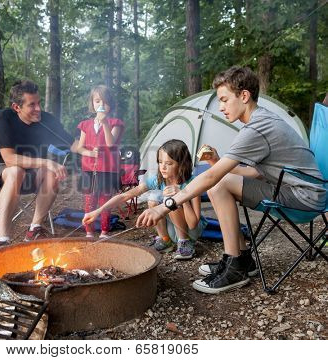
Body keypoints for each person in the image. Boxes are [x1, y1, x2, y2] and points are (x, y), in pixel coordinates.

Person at [136, 66, 326, 294]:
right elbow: (253, 174)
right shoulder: (263, 120)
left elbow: (214, 177)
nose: (221, 107)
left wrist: (166, 206)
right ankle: (242, 258)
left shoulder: (257, 127)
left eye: (224, 100)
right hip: (295, 190)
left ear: (244, 96)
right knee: (221, 184)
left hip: (304, 197)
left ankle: (235, 265)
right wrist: (217, 161)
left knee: (219, 185)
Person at [0, 80, 75, 246]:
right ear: (16, 107)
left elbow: (73, 144)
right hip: (3, 169)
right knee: (16, 171)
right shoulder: (5, 118)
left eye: (39, 103)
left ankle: (34, 229)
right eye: (32, 105)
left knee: (52, 173)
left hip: (34, 172)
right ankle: (3, 238)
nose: (38, 109)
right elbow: (9, 159)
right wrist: (46, 162)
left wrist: (95, 148)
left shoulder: (47, 120)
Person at [83, 139, 206, 259]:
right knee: (153, 198)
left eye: (168, 164)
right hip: (173, 229)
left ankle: (184, 243)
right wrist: (98, 211)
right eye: (160, 162)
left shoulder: (192, 183)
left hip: (191, 232)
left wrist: (182, 196)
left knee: (170, 198)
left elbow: (193, 223)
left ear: (182, 164)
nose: (162, 167)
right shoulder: (158, 179)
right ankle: (165, 241)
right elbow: (125, 196)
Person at [72, 85, 124, 239]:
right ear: (92, 104)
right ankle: (89, 231)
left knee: (104, 200)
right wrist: (89, 153)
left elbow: (110, 144)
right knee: (89, 200)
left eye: (105, 102)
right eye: (97, 101)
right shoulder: (85, 125)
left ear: (110, 105)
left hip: (108, 169)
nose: (101, 105)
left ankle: (104, 232)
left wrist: (105, 123)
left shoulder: (116, 123)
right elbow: (79, 148)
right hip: (89, 168)